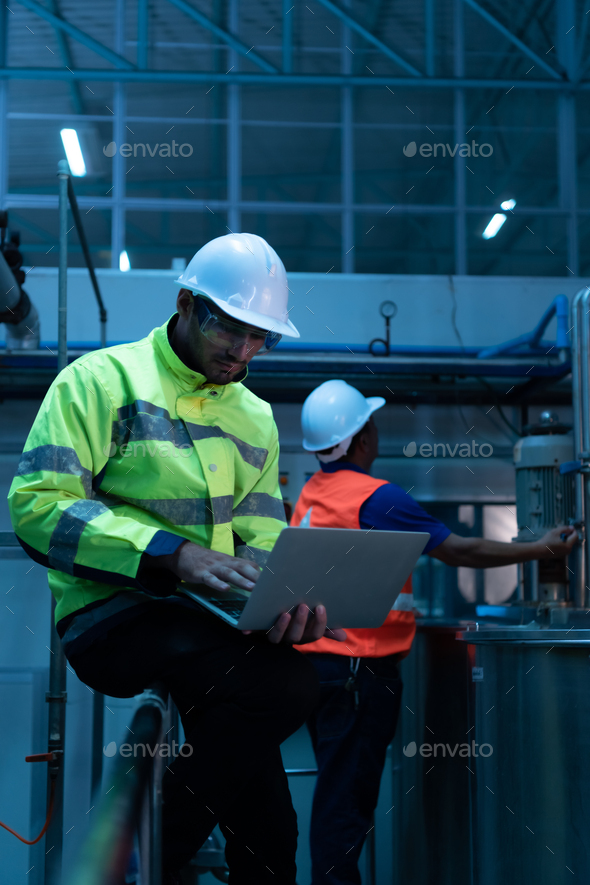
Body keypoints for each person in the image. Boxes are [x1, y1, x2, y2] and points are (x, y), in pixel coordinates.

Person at [8, 234, 346, 885]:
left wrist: (285, 599)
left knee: (273, 836)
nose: (245, 353)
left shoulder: (255, 417)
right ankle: (151, 855)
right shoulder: (99, 381)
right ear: (188, 303)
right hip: (111, 615)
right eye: (235, 333)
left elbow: (261, 533)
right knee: (288, 686)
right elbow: (37, 508)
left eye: (262, 339)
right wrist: (170, 554)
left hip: (210, 622)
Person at [290, 379, 578, 885]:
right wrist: (542, 549)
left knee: (338, 800)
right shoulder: (377, 500)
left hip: (321, 669)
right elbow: (460, 551)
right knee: (345, 808)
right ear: (362, 439)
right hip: (361, 678)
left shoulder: (314, 493)